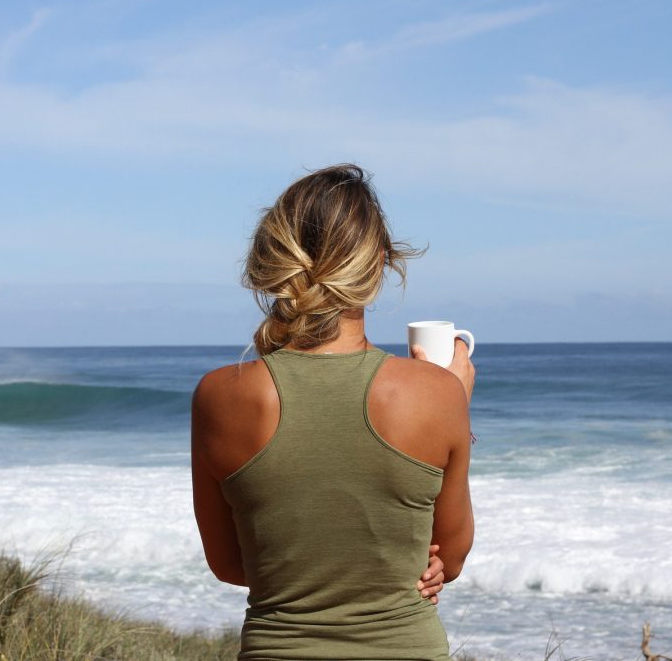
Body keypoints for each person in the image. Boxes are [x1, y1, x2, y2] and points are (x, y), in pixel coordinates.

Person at [191, 163, 475, 659]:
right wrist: (451, 404)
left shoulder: (219, 395)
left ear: (272, 258)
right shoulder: (438, 392)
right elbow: (447, 559)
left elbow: (231, 565)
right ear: (380, 262)